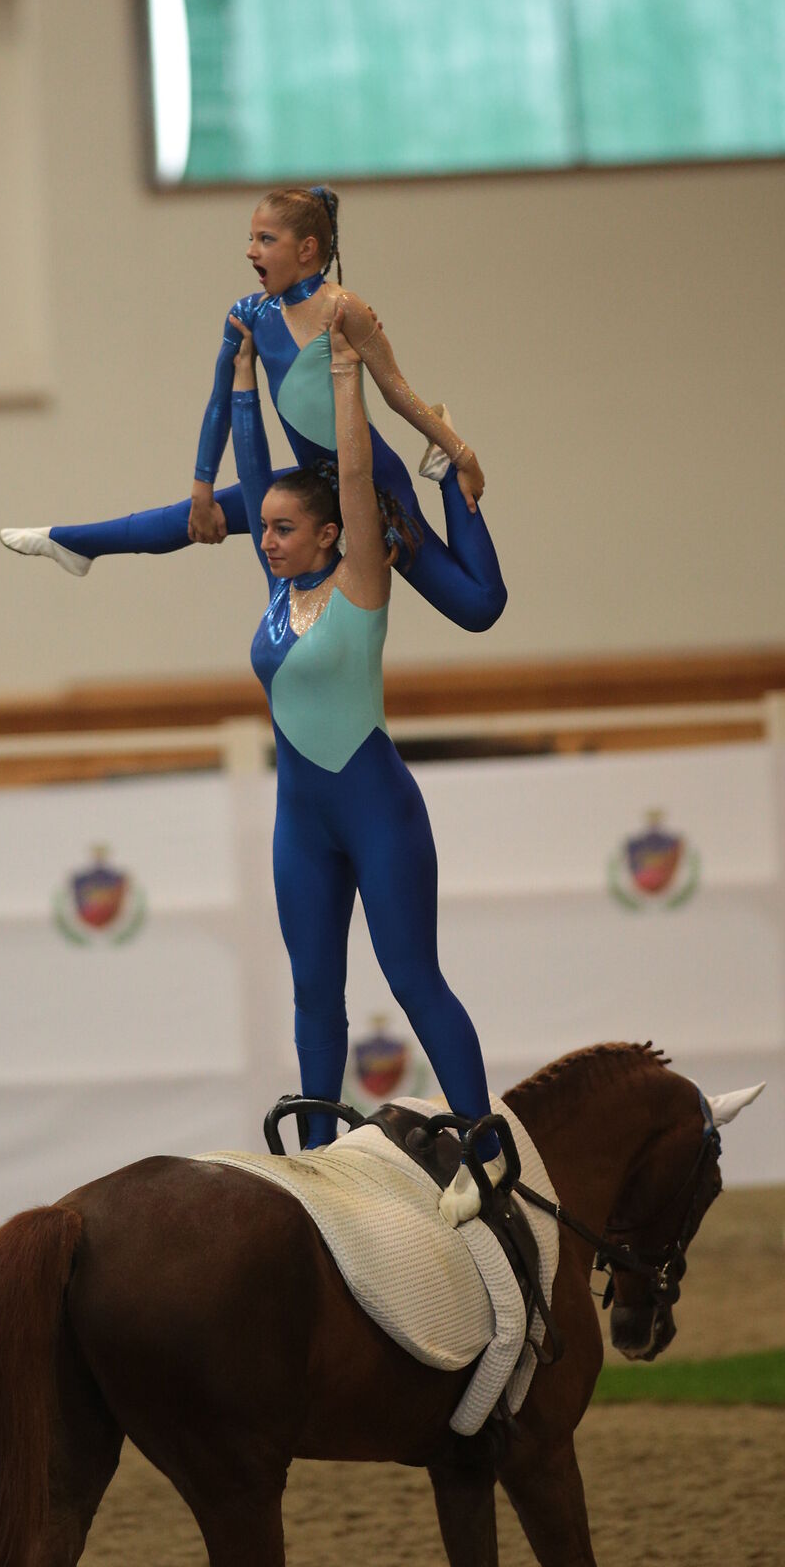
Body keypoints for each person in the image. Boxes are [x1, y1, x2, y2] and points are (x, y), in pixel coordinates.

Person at [230, 299, 504, 1225]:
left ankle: (483, 1149)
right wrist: (237, 380)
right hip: (300, 824)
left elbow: (351, 471)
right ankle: (318, 1165)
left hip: (378, 809)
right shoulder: (278, 591)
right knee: (315, 993)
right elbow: (253, 467)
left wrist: (346, 373)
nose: (263, 539)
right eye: (262, 528)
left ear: (329, 536)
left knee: (412, 977)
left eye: (278, 529)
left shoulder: (361, 579)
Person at [0, 184, 507, 636]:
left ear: (306, 250)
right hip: (315, 484)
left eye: (265, 240)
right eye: (250, 238)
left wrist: (459, 454)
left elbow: (396, 389)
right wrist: (201, 486)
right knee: (195, 516)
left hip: (373, 485)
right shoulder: (249, 315)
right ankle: (72, 542)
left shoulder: (343, 309)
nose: (250, 251)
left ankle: (439, 475)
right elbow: (220, 402)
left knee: (479, 608)